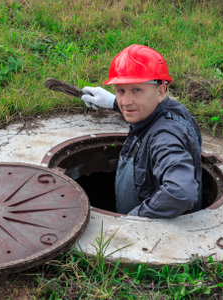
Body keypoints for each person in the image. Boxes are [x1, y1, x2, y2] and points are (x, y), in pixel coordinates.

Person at [81, 44, 202, 218]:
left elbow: (181, 192)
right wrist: (112, 102)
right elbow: (133, 103)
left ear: (160, 91)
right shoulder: (173, 111)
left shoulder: (164, 137)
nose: (126, 101)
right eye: (121, 90)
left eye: (136, 90)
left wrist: (136, 218)